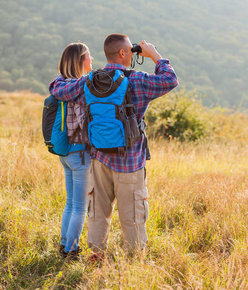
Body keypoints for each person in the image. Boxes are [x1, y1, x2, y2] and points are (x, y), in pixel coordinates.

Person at [49, 34, 178, 259]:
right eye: (130, 50)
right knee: (133, 213)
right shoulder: (137, 80)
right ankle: (134, 258)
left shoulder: (90, 80)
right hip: (130, 161)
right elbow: (170, 80)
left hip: (99, 158)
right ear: (122, 53)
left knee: (99, 210)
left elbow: (57, 88)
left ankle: (96, 254)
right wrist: (154, 55)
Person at [51, 42, 93, 259]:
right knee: (80, 206)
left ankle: (64, 244)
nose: (92, 60)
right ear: (81, 59)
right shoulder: (81, 88)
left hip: (65, 153)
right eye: (89, 56)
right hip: (81, 153)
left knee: (70, 203)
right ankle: (72, 250)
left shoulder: (59, 84)